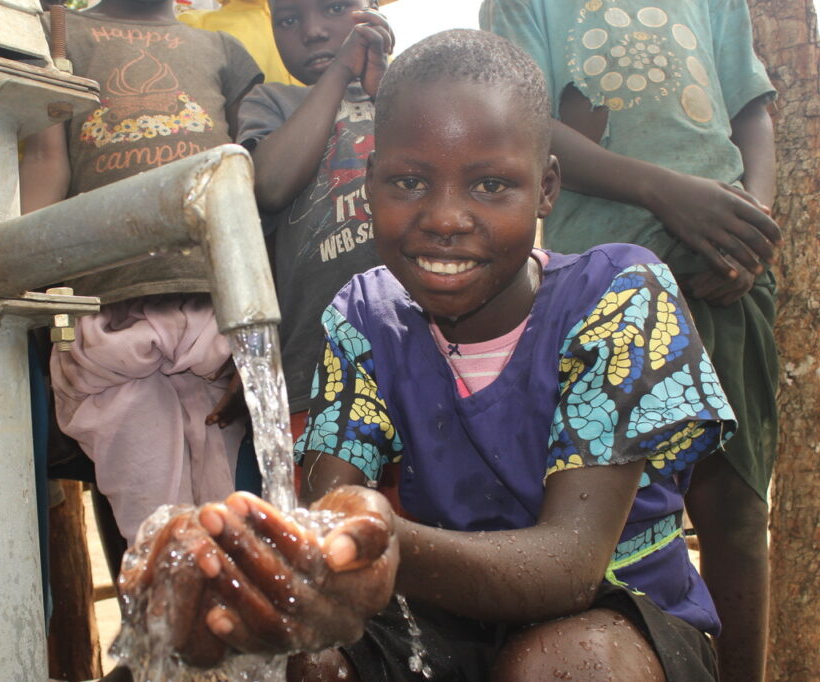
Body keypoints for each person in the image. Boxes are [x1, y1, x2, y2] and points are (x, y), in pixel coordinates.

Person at [115, 29, 735, 682]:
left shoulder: (617, 296)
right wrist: (249, 565)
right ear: (372, 179)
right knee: (303, 659)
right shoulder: (364, 314)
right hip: (448, 621)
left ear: (546, 188)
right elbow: (333, 524)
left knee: (559, 664)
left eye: (491, 185)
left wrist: (380, 543)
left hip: (619, 624)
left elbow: (569, 567)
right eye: (409, 181)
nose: (445, 216)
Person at [479, 3, 779, 679]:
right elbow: (527, 123)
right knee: (611, 519)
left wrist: (750, 224)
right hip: (604, 296)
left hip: (723, 274)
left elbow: (750, 114)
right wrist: (663, 190)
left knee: (733, 511)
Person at [18, 0, 262, 555]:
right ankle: (166, 629)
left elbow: (252, 186)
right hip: (110, 313)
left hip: (213, 316)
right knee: (156, 537)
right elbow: (45, 160)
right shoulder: (59, 34)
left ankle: (223, 635)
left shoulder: (224, 50)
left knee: (229, 529)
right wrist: (25, 289)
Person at [233, 0, 393, 440]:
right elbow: (271, 185)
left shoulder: (416, 90)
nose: (313, 31)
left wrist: (392, 90)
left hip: (431, 356)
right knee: (328, 506)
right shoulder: (272, 103)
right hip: (317, 369)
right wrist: (340, 73)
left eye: (334, 8)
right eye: (288, 20)